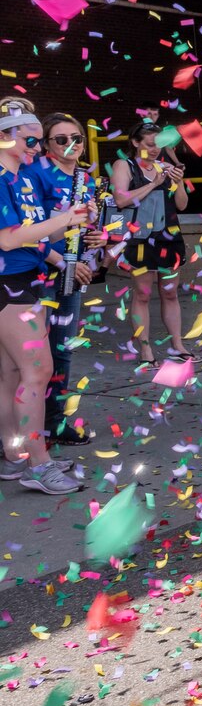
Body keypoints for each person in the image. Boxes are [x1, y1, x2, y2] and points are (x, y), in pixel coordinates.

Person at [0, 99, 88, 494]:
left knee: (14, 373)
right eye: (30, 139)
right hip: (10, 284)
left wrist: (76, 223)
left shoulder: (20, 177)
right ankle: (39, 463)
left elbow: (37, 237)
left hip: (26, 278)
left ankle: (15, 456)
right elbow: (10, 238)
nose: (38, 148)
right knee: (37, 371)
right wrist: (66, 218)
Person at [33, 113, 101, 445]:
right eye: (62, 139)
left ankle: (55, 424)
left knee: (62, 350)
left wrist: (99, 237)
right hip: (35, 273)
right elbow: (27, 232)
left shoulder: (85, 179)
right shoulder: (35, 175)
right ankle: (18, 429)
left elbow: (84, 226)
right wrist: (60, 261)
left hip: (72, 272)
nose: (72, 144)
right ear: (46, 144)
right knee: (28, 356)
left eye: (77, 137)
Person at [109, 120, 190, 366]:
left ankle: (177, 345)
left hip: (168, 235)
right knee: (142, 294)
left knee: (170, 293)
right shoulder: (124, 165)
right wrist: (154, 183)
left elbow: (182, 204)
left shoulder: (165, 166)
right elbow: (121, 200)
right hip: (140, 239)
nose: (155, 150)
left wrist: (179, 182)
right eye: (150, 144)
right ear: (135, 142)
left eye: (159, 145)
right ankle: (145, 350)